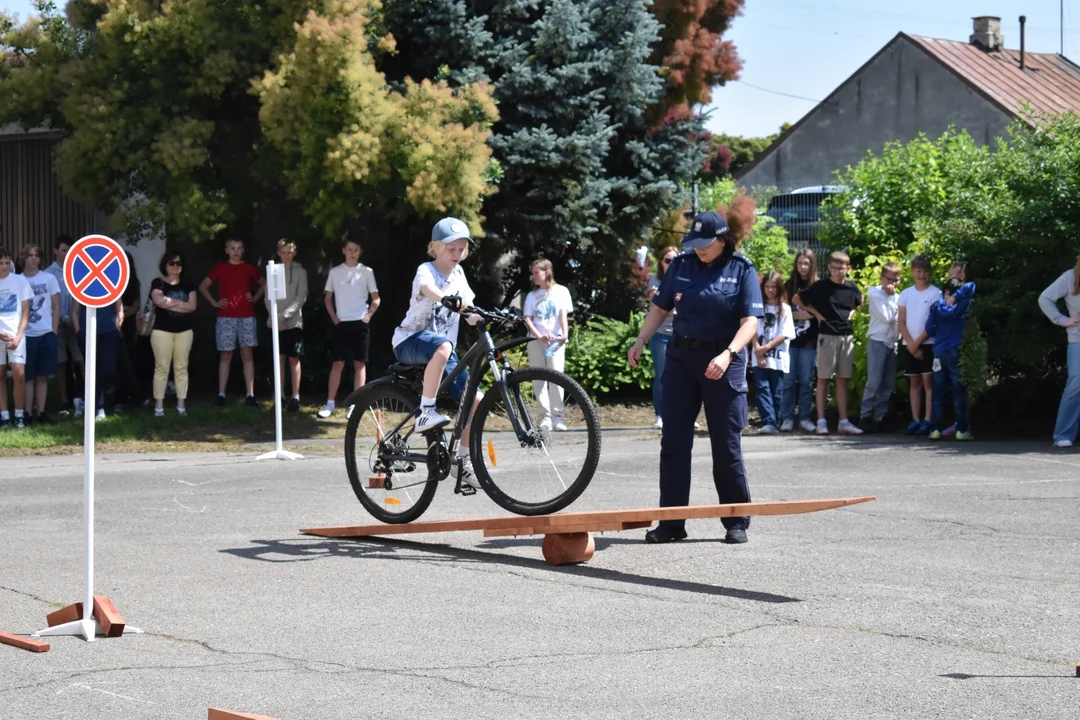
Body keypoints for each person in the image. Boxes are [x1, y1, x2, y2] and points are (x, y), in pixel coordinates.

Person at [628, 209, 764, 544]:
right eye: (696, 242)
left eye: (706, 243)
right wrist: (641, 338)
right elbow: (660, 308)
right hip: (682, 359)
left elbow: (750, 322)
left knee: (726, 443)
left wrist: (729, 354)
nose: (700, 249)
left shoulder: (741, 269)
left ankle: (735, 521)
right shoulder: (682, 265)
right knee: (673, 442)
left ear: (722, 240)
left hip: (724, 358)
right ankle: (672, 523)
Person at [392, 217, 484, 491]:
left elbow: (468, 310)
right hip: (409, 340)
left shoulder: (459, 275)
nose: (456, 254)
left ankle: (462, 461)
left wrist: (487, 317)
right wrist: (443, 298)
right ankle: (426, 411)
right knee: (443, 346)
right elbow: (426, 289)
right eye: (451, 249)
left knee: (475, 398)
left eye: (461, 249)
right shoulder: (426, 270)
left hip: (441, 351)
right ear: (436, 248)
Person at [791, 251, 864, 436]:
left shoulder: (852, 287)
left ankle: (843, 421)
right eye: (834, 268)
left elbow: (859, 302)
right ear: (829, 268)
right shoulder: (821, 286)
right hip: (827, 335)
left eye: (842, 268)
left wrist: (852, 315)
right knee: (823, 379)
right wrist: (816, 314)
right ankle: (821, 421)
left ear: (848, 268)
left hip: (846, 336)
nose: (838, 271)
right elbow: (796, 299)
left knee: (842, 380)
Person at [319, 237, 379, 418]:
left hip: (360, 322)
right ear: (344, 250)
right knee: (337, 363)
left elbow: (376, 298)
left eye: (356, 250)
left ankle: (356, 405)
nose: (353, 253)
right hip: (342, 323)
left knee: (359, 363)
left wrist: (368, 316)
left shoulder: (367, 272)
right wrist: (334, 318)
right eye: (350, 249)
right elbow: (327, 298)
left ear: (360, 252)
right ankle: (330, 403)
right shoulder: (335, 272)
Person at [200, 238, 264, 406]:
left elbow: (264, 284)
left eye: (239, 248)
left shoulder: (249, 268)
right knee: (226, 354)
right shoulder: (220, 268)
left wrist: (255, 297)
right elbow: (203, 286)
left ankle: (250, 394)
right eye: (233, 248)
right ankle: (221, 394)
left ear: (243, 250)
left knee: (247, 354)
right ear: (226, 250)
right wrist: (215, 302)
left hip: (246, 315)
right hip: (225, 316)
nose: (236, 251)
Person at [523, 258, 574, 432]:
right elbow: (527, 318)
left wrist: (564, 336)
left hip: (555, 343)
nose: (534, 276)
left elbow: (562, 315)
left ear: (547, 272)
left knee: (556, 377)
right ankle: (544, 417)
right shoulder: (531, 295)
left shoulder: (561, 291)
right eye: (533, 273)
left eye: (537, 272)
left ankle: (557, 417)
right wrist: (538, 336)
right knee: (538, 378)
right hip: (536, 341)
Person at [925, 278, 976, 441]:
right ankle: (961, 430)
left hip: (939, 352)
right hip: (955, 351)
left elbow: (928, 328)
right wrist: (958, 296)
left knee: (938, 392)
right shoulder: (961, 305)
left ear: (945, 291)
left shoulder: (936, 306)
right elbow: (972, 286)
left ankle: (934, 429)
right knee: (958, 392)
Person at [1037, 256, 1080, 448]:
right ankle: (1063, 433)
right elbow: (1045, 298)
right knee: (1076, 382)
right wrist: (1063, 320)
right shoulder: (1070, 277)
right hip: (1078, 339)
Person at [149, 251, 197, 416]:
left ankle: (181, 406)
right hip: (162, 330)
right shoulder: (158, 282)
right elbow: (158, 301)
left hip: (184, 330)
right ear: (165, 265)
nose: (175, 266)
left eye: (178, 263)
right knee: (161, 367)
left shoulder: (188, 285)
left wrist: (169, 302)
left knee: (181, 367)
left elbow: (192, 307)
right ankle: (159, 407)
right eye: (171, 263)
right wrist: (180, 303)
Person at [17, 245, 61, 425]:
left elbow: (56, 306)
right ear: (24, 259)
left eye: (36, 255)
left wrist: (54, 330)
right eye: (30, 256)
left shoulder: (49, 278)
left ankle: (41, 412)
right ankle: (27, 413)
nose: (33, 259)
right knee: (27, 376)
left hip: (46, 333)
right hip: (26, 334)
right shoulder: (17, 280)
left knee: (42, 376)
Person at [897, 255, 940, 436]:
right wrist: (911, 345)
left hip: (927, 344)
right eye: (918, 271)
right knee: (914, 383)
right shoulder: (906, 294)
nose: (922, 274)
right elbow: (901, 322)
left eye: (925, 271)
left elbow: (933, 323)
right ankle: (915, 418)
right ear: (912, 272)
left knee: (928, 382)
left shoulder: (935, 293)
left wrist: (917, 344)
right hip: (909, 345)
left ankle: (928, 419)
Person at [265, 239, 308, 412]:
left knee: (293, 358)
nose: (286, 256)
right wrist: (276, 318)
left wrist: (283, 316)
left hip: (293, 322)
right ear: (278, 253)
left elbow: (301, 297)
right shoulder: (273, 270)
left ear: (294, 252)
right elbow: (268, 296)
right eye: (283, 252)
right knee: (279, 358)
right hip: (275, 321)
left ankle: (295, 396)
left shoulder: (301, 271)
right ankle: (280, 395)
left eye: (289, 252)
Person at [751, 271, 795, 434]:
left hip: (778, 357)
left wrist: (766, 348)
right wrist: (758, 350)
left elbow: (785, 333)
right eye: (767, 286)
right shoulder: (756, 306)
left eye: (773, 287)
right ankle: (769, 422)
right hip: (759, 355)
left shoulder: (784, 309)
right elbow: (751, 328)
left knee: (777, 391)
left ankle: (775, 421)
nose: (770, 290)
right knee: (762, 388)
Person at [859, 262, 901, 433]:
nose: (892, 284)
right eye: (889, 279)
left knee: (888, 383)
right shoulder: (875, 293)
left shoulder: (898, 297)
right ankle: (865, 416)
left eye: (896, 280)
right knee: (874, 381)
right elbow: (887, 318)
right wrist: (891, 298)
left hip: (893, 342)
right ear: (882, 278)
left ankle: (881, 417)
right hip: (878, 341)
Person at [782, 249, 819, 432]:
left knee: (806, 381)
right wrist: (796, 314)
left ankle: (804, 417)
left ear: (812, 265)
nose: (803, 267)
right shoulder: (789, 285)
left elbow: (822, 312)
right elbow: (782, 310)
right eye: (800, 263)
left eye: (807, 263)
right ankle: (787, 418)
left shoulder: (818, 286)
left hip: (810, 341)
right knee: (788, 381)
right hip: (790, 341)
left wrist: (810, 314)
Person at [44, 234, 82, 415]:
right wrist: (64, 318)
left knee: (80, 360)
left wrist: (73, 319)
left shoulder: (77, 270)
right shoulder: (48, 274)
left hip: (75, 323)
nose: (67, 254)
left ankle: (83, 397)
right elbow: (51, 303)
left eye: (70, 251)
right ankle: (64, 401)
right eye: (64, 250)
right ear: (55, 251)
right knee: (61, 363)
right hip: (58, 324)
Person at [72, 294, 123, 421]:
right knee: (93, 371)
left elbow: (119, 308)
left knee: (107, 370)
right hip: (86, 332)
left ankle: (84, 401)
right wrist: (78, 331)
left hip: (109, 332)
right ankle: (99, 408)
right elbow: (74, 311)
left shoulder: (111, 285)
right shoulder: (83, 286)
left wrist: (118, 326)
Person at [646, 246, 679, 429]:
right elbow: (657, 310)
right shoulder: (655, 281)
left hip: (681, 336)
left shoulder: (684, 279)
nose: (671, 263)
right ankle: (660, 415)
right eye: (667, 260)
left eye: (674, 260)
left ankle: (683, 413)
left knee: (683, 378)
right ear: (661, 262)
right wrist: (676, 308)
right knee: (662, 377)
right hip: (661, 336)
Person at [0, 248, 33, 429]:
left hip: (16, 335)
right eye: (1, 264)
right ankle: (4, 416)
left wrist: (19, 335)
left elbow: (26, 310)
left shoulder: (19, 281)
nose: (4, 267)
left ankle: (19, 416)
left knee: (19, 375)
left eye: (7, 263)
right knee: (1, 375)